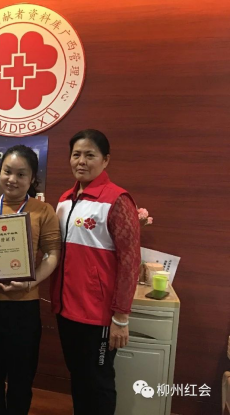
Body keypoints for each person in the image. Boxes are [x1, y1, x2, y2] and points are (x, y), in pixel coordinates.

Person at [50, 129, 141, 415]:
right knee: (78, 376)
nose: (81, 161)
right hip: (67, 309)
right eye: (76, 154)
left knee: (99, 382)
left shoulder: (117, 200)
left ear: (105, 160)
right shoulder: (65, 199)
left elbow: (130, 261)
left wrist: (121, 317)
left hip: (98, 314)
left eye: (90, 155)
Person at [0, 144, 61, 415]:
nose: (13, 179)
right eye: (7, 171)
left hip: (23, 308)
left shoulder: (43, 210)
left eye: (21, 174)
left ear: (32, 178)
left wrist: (30, 282)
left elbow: (53, 255)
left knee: (21, 379)